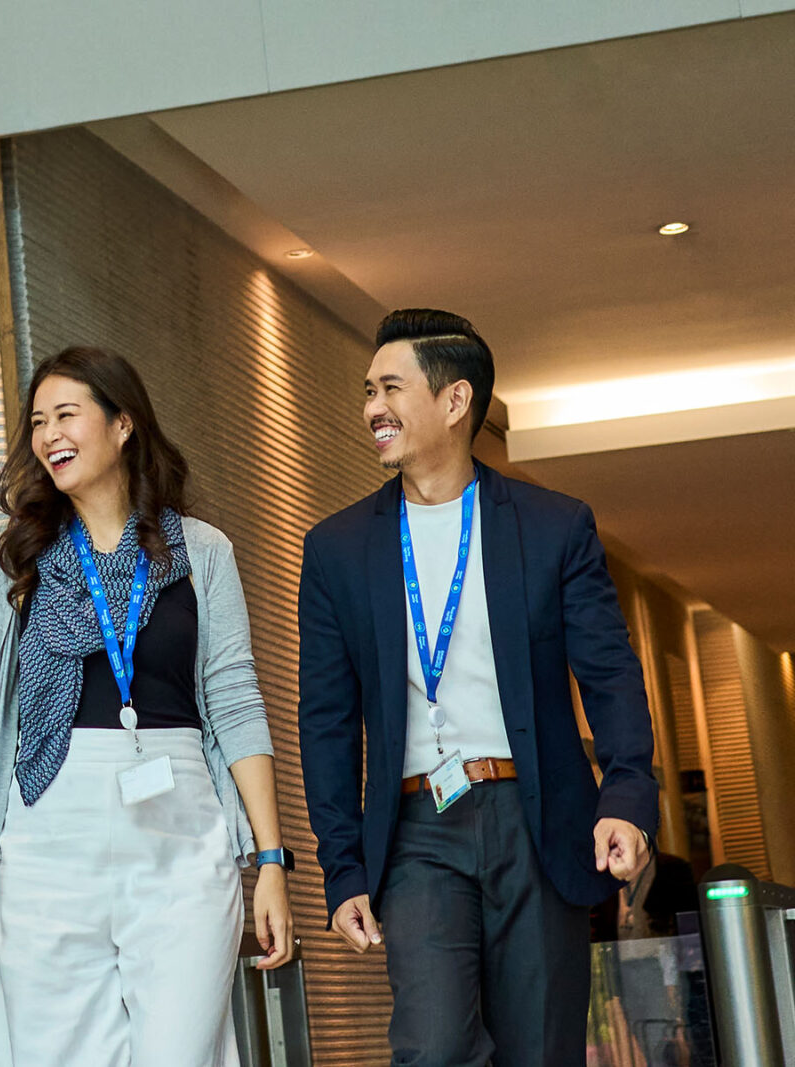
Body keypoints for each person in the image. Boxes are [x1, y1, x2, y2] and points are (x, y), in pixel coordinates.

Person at [297, 309, 657, 1066]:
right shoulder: (337, 548)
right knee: (432, 1046)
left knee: (539, 1048)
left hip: (534, 815)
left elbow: (609, 672)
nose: (372, 409)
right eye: (367, 391)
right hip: (415, 829)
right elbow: (326, 718)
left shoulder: (553, 526)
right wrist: (341, 868)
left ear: (455, 401)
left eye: (390, 389)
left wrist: (626, 794)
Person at [0, 346, 293, 1066]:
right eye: (37, 421)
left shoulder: (202, 551)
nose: (48, 435)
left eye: (67, 415)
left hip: (181, 832)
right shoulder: (12, 557)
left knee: (182, 1050)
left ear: (123, 425)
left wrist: (270, 859)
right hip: (47, 831)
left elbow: (235, 699)